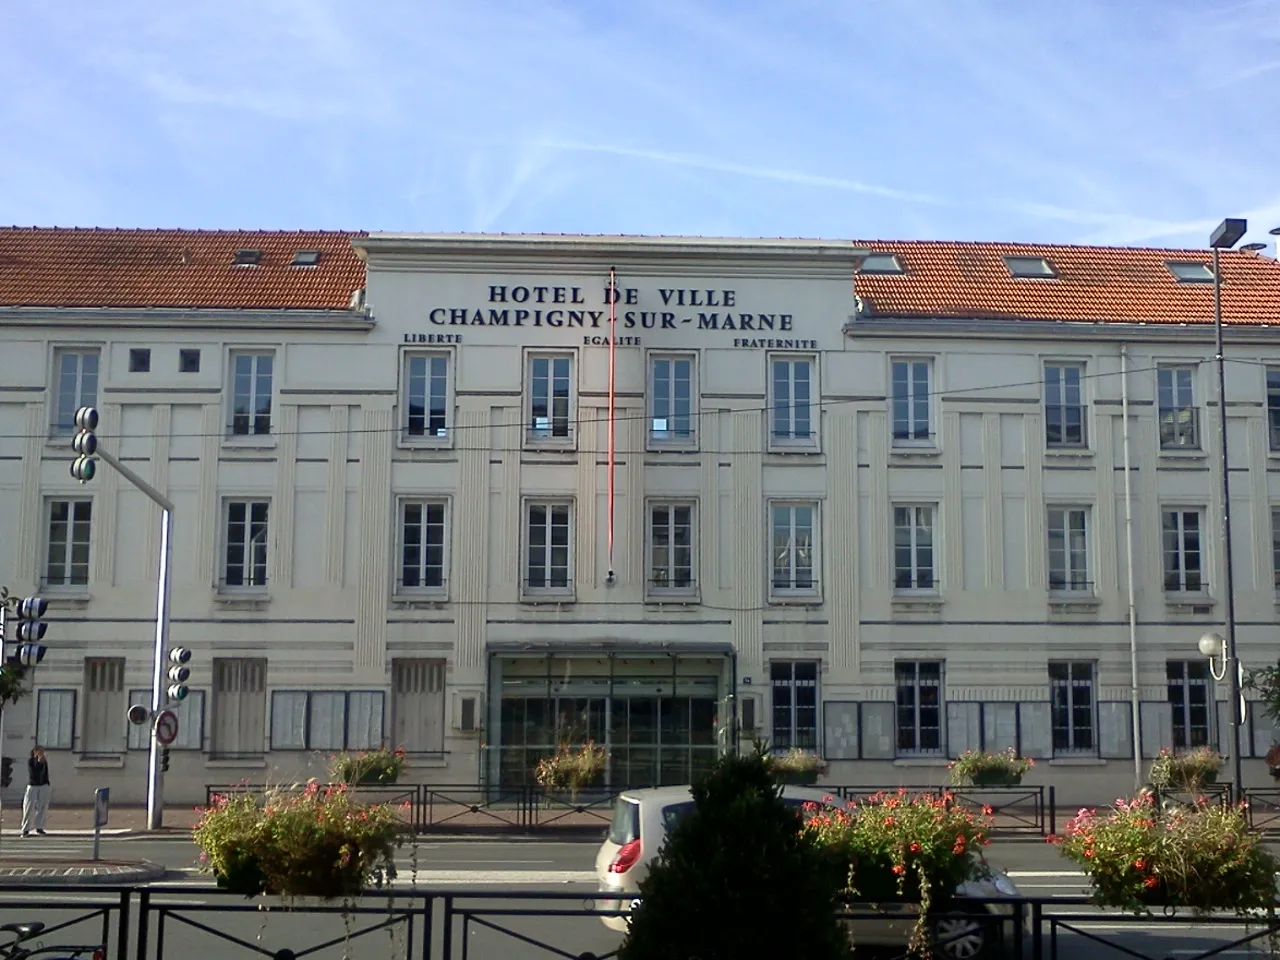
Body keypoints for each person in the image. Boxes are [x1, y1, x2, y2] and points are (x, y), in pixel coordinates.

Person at [22, 746, 50, 837]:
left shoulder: (44, 761)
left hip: (43, 785)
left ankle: (39, 827)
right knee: (29, 807)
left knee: (42, 807)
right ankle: (25, 828)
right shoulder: (31, 761)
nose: (42, 753)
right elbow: (34, 773)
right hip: (33, 786)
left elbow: (45, 774)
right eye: (40, 751)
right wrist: (39, 762)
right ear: (35, 752)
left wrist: (42, 762)